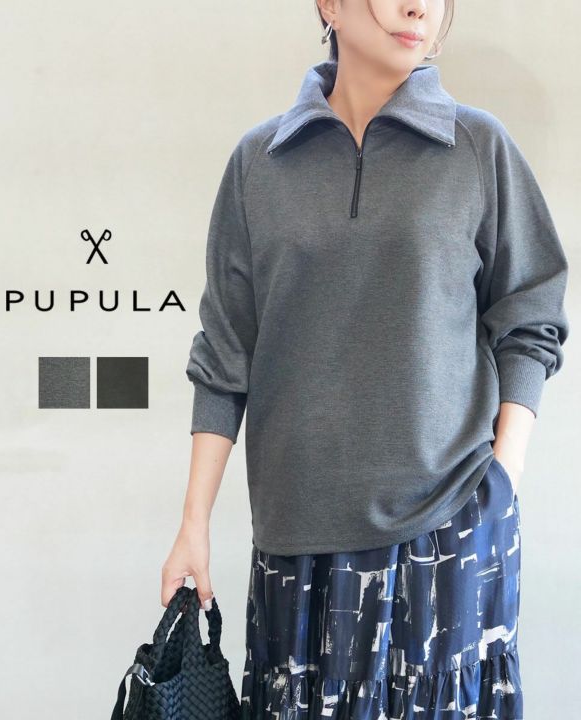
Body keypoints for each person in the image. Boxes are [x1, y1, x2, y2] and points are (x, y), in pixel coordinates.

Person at [163, 0, 569, 717]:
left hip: (449, 531)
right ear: (329, 4)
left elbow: (531, 316)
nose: (419, 8)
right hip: (298, 543)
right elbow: (225, 353)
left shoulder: (477, 147)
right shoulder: (259, 163)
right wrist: (193, 523)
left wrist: (503, 480)